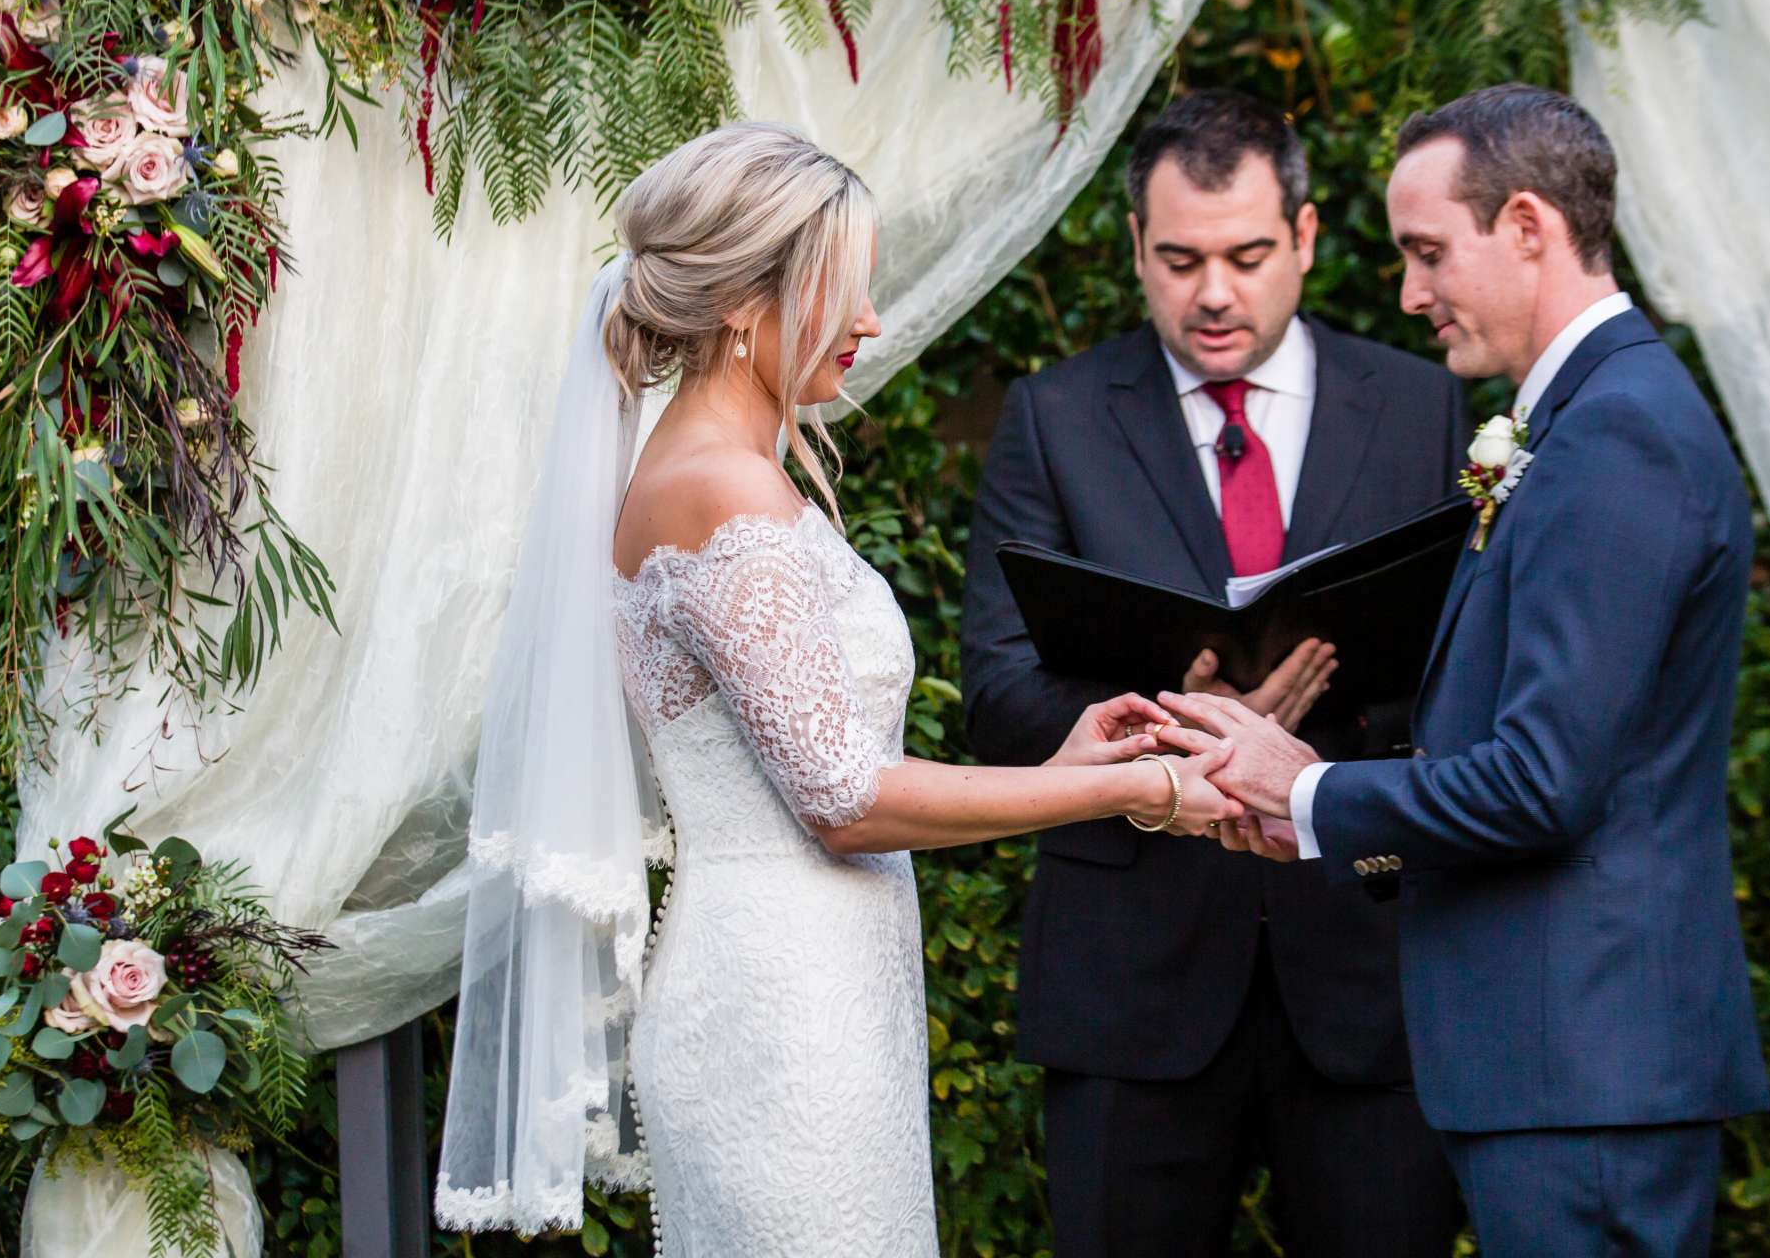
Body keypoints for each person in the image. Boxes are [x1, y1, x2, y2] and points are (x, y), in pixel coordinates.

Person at [434, 122, 1335, 1258]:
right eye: (841, 291)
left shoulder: (733, 473)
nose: (869, 321)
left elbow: (838, 771)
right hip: (780, 1006)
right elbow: (843, 801)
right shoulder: (725, 492)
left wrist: (1062, 766)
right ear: (748, 304)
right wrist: (1138, 788)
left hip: (821, 979)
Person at [1166, 83, 1770, 1258]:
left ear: (1531, 226)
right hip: (1566, 1064)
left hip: (1586, 1068)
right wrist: (1317, 822)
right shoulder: (1585, 422)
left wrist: (1303, 789)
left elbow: (1544, 781)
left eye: (1428, 252)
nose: (1409, 293)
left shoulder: (1618, 435)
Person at [961, 88, 1468, 1258]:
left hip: (1361, 970)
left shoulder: (1421, 405)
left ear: (1303, 236)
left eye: (1246, 255)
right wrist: (1179, 727)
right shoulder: (1055, 417)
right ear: (1136, 248)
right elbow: (995, 692)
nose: (1215, 294)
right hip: (1129, 982)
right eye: (1180, 260)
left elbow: (1460, 672)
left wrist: (1302, 724)